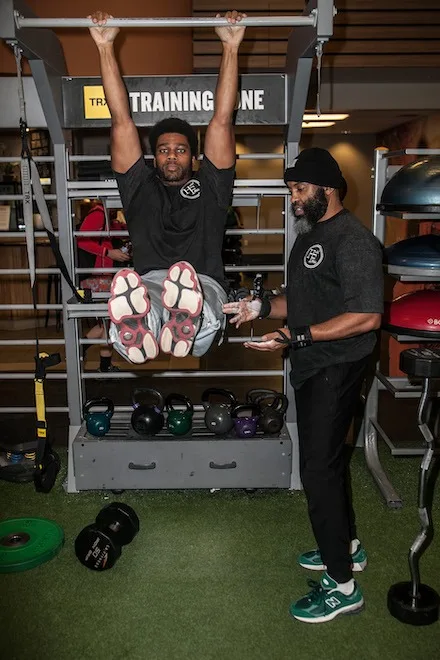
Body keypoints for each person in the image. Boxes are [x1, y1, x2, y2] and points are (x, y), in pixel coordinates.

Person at [223, 147, 384, 624]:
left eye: (299, 190)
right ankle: (347, 549)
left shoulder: (354, 241)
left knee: (317, 470)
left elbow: (367, 316)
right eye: (292, 190)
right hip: (314, 364)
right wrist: (260, 308)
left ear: (327, 190)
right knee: (327, 465)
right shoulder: (310, 237)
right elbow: (301, 298)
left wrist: (299, 336)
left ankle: (343, 585)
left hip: (337, 365)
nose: (293, 198)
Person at [89, 10, 246, 364]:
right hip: (152, 283)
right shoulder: (138, 186)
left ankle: (186, 322)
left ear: (194, 156)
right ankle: (142, 326)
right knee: (150, 300)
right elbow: (121, 120)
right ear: (153, 157)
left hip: (204, 280)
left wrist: (231, 47)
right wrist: (104, 47)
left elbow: (222, 119)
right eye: (163, 150)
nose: (171, 156)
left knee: (200, 303)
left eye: (180, 149)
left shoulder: (213, 186)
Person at [77, 202, 130, 371]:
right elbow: (82, 240)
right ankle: (81, 349)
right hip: (96, 278)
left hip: (103, 277)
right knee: (108, 322)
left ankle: (103, 364)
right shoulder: (98, 214)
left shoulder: (107, 216)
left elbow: (119, 229)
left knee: (106, 323)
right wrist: (108, 253)